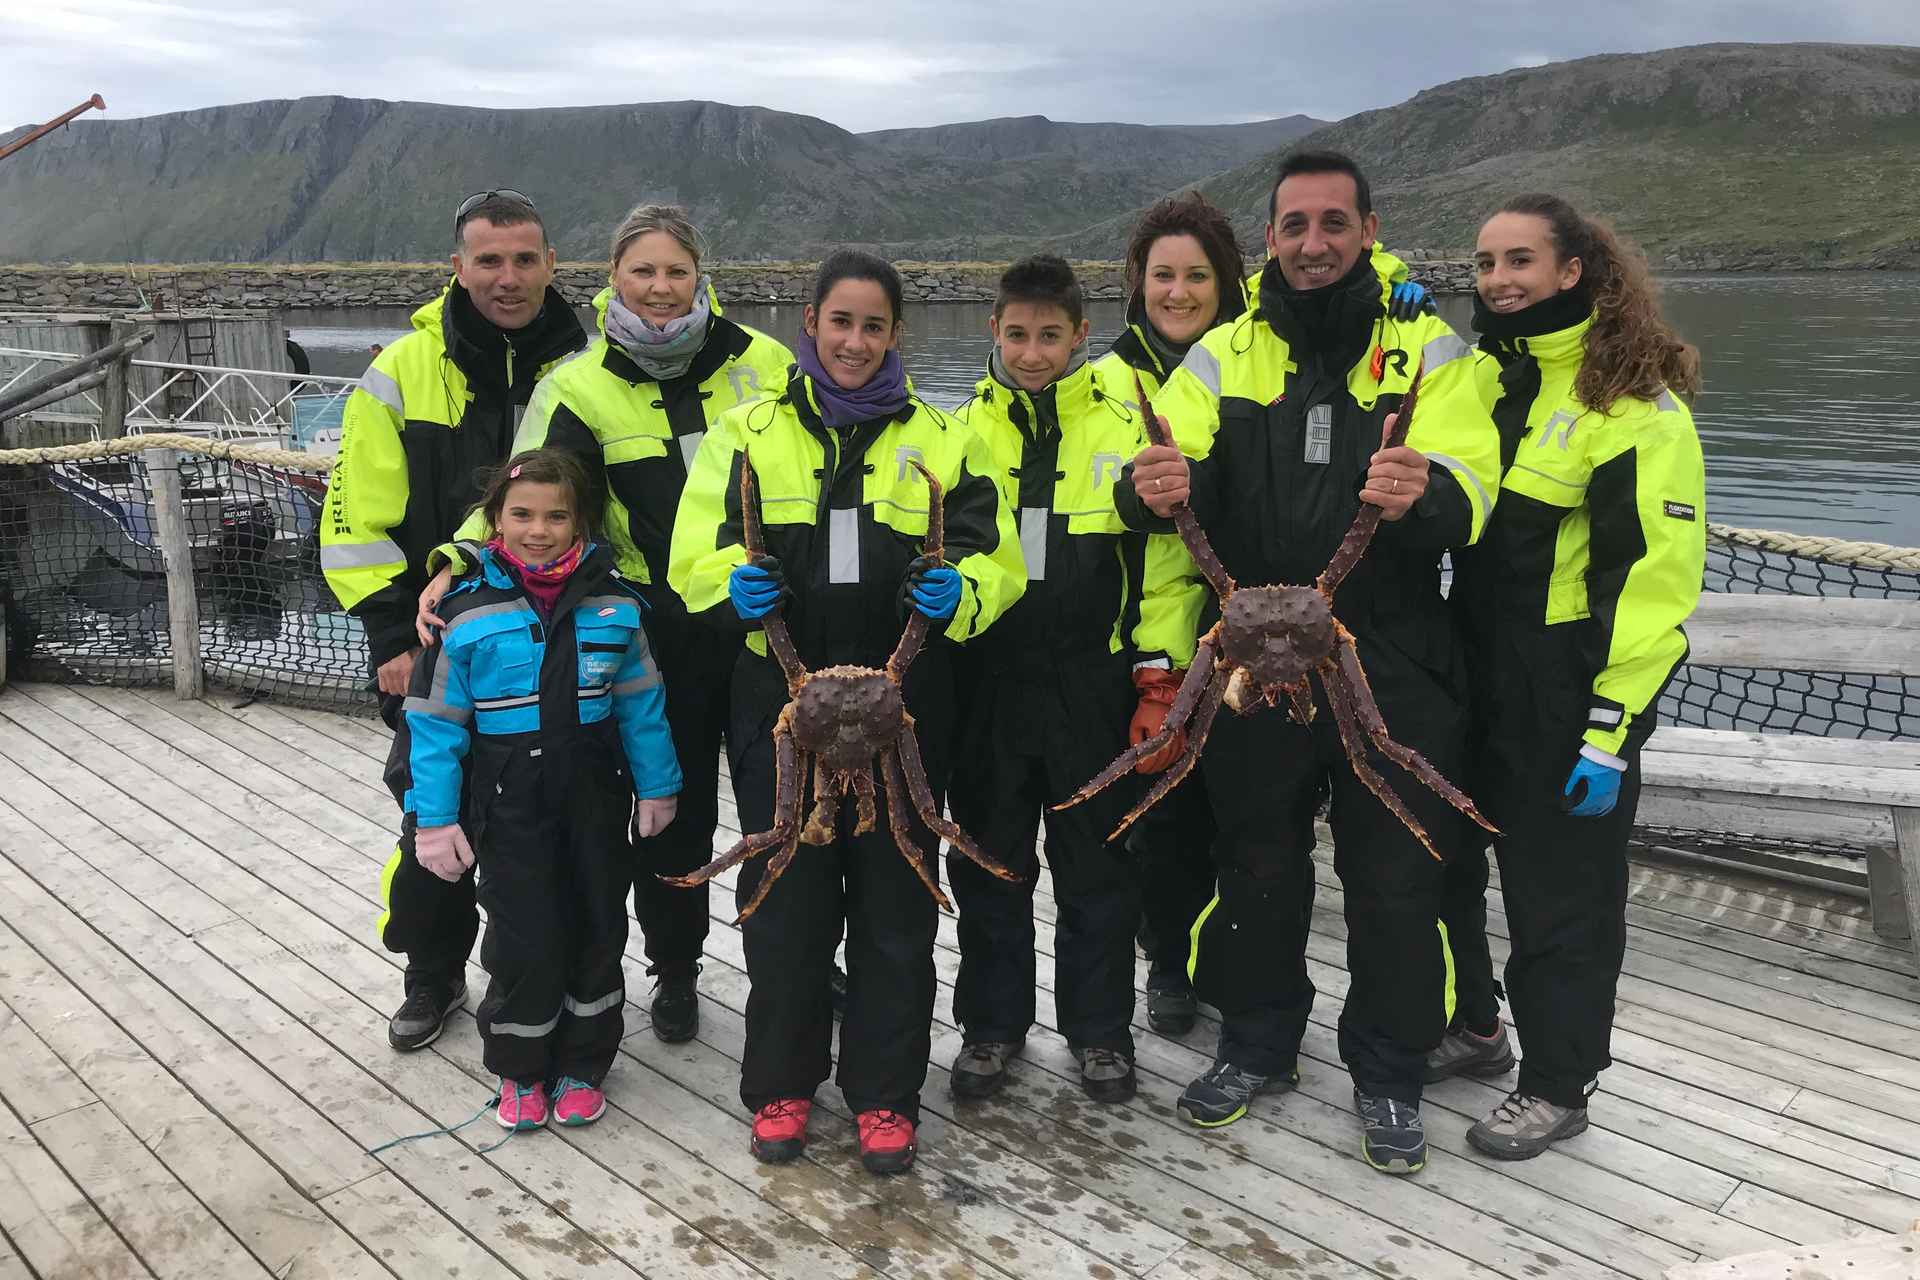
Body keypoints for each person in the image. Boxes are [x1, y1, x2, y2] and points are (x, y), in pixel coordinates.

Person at [1121, 150, 1502, 1174]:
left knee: (1397, 872)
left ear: (1370, 230)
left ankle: (1390, 1068)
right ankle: (1257, 1043)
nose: (1314, 241)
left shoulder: (1428, 348)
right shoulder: (1223, 353)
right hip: (1254, 656)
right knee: (1255, 860)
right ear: (1270, 238)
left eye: (1335, 222)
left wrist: (1428, 492)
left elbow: (1476, 487)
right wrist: (1148, 484)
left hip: (1393, 652)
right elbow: (1168, 471)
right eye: (1295, 224)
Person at [668, 249, 1023, 1175]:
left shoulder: (947, 440)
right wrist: (727, 584)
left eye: (873, 326)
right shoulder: (745, 432)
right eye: (840, 322)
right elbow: (690, 554)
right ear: (810, 324)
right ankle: (780, 1086)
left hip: (905, 712)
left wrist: (963, 591)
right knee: (783, 900)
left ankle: (885, 1095)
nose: (855, 341)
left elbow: (1000, 560)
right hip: (781, 709)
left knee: (897, 907)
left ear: (896, 332)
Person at [419, 204, 792, 1045]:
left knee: (781, 802)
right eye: (642, 271)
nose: (660, 288)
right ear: (613, 279)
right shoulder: (577, 386)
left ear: (701, 277)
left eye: (676, 271)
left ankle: (793, 961)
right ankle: (677, 967)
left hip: (760, 627)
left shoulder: (763, 364)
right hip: (659, 632)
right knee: (673, 811)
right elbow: (527, 491)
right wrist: (458, 558)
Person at [1104, 193, 1439, 1038]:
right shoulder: (1116, 378)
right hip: (1182, 646)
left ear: (1230, 282)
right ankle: (1189, 980)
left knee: (1362, 846)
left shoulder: (1294, 348)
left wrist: (1396, 287)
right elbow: (1140, 515)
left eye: (1196, 276)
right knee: (1196, 831)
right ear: (1137, 285)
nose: (1177, 292)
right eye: (1161, 276)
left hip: (1318, 641)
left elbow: (1457, 474)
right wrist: (1154, 655)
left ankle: (1405, 1036)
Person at [1434, 193, 1704, 1159]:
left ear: (1572, 270)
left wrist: (1610, 728)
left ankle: (1558, 1083)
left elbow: (1652, 585)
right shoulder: (1477, 379)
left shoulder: (1636, 408)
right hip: (1468, 670)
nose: (1499, 280)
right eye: (1485, 263)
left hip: (1564, 685)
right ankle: (1475, 1028)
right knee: (1447, 862)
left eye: (1520, 260)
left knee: (1561, 896)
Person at [321, 189, 586, 1052]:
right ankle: (431, 973)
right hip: (434, 643)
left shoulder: (586, 368)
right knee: (432, 809)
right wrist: (392, 639)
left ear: (551, 265)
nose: (508, 277)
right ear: (458, 266)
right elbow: (356, 519)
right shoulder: (401, 372)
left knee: (544, 823)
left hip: (552, 640)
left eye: (524, 259)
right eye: (489, 260)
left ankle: (530, 973)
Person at [945, 255, 1204, 1104]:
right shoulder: (954, 434)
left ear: (1081, 336)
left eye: (1050, 335)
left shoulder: (1130, 428)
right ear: (994, 330)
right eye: (1017, 335)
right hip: (987, 685)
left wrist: (1159, 676)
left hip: (1093, 685)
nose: (1032, 353)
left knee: (1099, 870)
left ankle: (1100, 1033)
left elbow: (1166, 568)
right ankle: (992, 1027)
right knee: (990, 864)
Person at [405, 448, 681, 1129]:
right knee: (523, 934)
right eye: (522, 514)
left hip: (595, 794)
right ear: (494, 520)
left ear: (580, 521)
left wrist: (658, 786)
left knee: (598, 924)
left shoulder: (619, 607)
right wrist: (434, 820)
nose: (539, 530)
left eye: (557, 516)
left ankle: (585, 1063)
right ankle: (521, 1068)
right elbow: (434, 729)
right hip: (508, 802)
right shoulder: (462, 613)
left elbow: (642, 706)